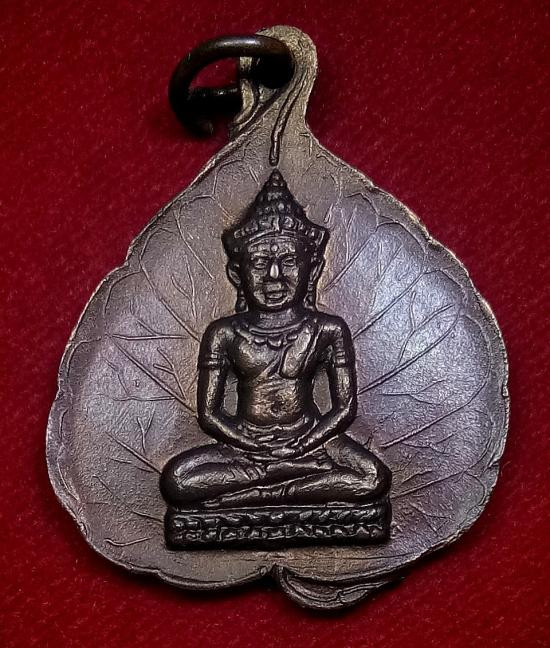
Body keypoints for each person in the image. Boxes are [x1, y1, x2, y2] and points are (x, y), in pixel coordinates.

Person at [160, 170, 390, 514]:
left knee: (373, 478)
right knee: (176, 480)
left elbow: (344, 408)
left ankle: (263, 493)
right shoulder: (225, 333)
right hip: (245, 445)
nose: (274, 276)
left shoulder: (328, 330)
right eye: (260, 262)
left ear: (312, 270)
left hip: (311, 439)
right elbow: (209, 414)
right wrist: (251, 445)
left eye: (288, 261)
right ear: (237, 274)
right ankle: (282, 477)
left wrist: (304, 443)